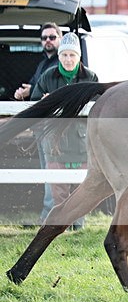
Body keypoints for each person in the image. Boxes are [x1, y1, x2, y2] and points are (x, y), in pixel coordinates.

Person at [30, 32, 98, 229]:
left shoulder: (90, 77)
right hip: (55, 142)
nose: (68, 59)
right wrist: (46, 104)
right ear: (59, 56)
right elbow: (34, 106)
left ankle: (78, 227)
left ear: (79, 57)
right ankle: (61, 228)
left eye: (72, 55)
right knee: (57, 190)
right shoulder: (47, 76)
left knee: (81, 190)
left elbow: (99, 107)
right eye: (64, 55)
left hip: (82, 141)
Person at [14, 23, 63, 224]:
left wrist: (31, 90)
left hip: (58, 128)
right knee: (47, 170)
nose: (48, 41)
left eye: (52, 37)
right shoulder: (43, 63)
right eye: (44, 38)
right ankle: (48, 214)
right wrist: (26, 91)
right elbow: (37, 87)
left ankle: (50, 216)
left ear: (60, 38)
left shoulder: (61, 63)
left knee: (54, 171)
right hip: (41, 126)